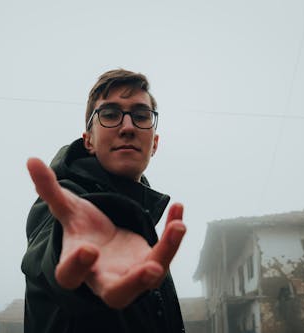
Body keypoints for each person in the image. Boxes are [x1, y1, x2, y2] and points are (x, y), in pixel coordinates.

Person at [21, 69, 187, 333]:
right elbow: (47, 261)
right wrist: (78, 263)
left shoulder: (142, 222)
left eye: (141, 116)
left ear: (154, 143)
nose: (128, 127)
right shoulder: (64, 201)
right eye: (110, 114)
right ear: (88, 140)